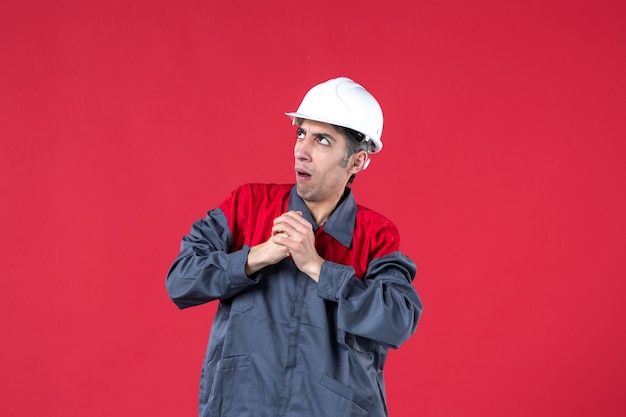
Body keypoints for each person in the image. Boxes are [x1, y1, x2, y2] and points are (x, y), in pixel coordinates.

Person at [166, 76, 423, 417]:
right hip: (241, 407)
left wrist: (318, 267)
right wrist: (256, 257)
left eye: (322, 140)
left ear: (357, 161)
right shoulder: (249, 205)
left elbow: (397, 320)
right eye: (301, 133)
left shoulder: (375, 234)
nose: (302, 150)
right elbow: (180, 280)